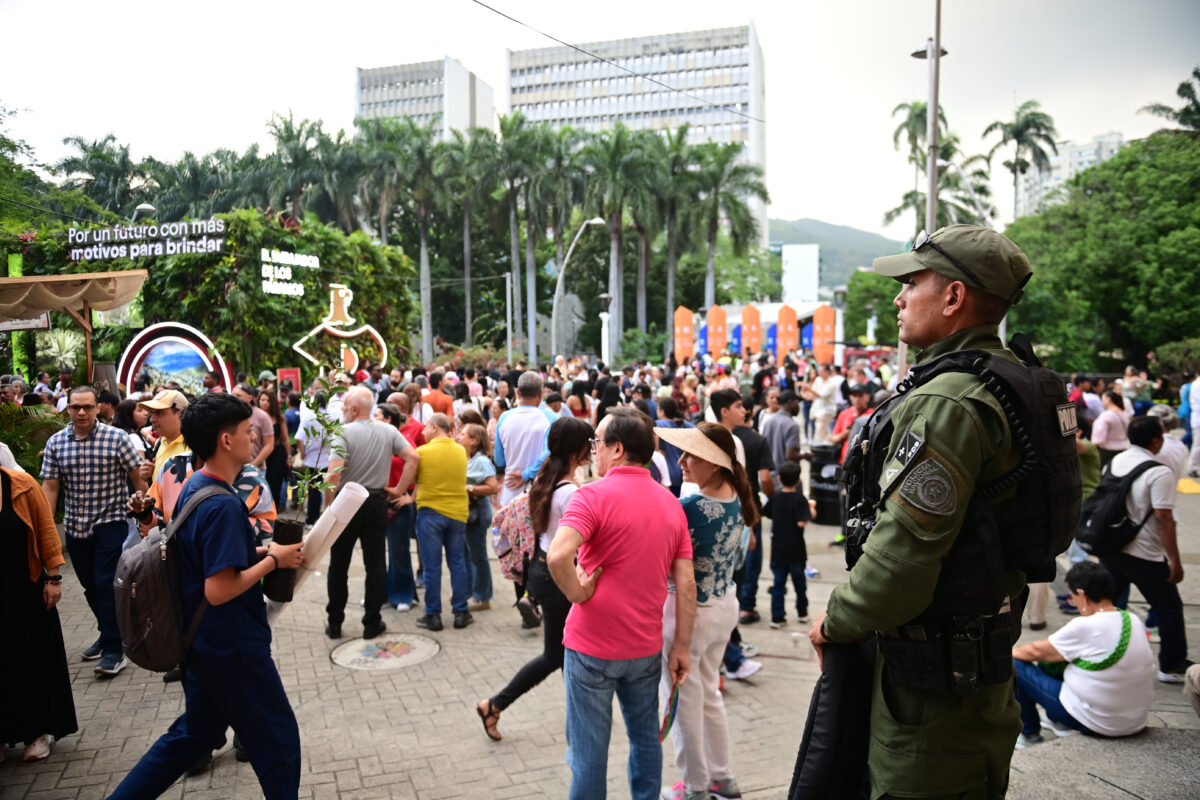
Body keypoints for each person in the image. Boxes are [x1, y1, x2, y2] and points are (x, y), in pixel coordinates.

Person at [808, 225, 1075, 798]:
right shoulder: (1014, 383)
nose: (899, 298)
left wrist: (836, 621)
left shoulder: (947, 402)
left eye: (911, 283)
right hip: (982, 661)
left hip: (930, 689)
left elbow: (901, 562)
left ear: (953, 298)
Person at [107, 393, 306, 800]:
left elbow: (206, 560)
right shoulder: (224, 505)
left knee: (195, 735)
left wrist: (265, 552)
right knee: (280, 743)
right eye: (247, 431)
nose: (254, 438)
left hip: (201, 643)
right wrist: (273, 562)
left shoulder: (196, 486)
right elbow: (219, 589)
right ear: (226, 441)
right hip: (231, 648)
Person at [548, 407, 695, 800]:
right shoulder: (671, 504)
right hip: (645, 649)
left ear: (616, 449)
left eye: (597, 443)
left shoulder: (591, 496)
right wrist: (681, 645)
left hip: (590, 645)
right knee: (646, 741)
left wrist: (578, 593)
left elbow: (558, 556)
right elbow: (686, 583)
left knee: (588, 752)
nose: (593, 451)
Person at [653, 423, 756, 800]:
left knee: (683, 700)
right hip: (724, 605)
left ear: (714, 463)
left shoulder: (689, 507)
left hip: (688, 612)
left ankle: (695, 787)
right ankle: (721, 778)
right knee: (708, 694)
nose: (681, 460)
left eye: (690, 454)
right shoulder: (737, 497)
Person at [476, 417, 592, 741]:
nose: (593, 450)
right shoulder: (570, 493)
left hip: (541, 570)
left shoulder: (546, 477)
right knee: (562, 653)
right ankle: (496, 705)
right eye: (589, 445)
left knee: (562, 652)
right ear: (577, 450)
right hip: (559, 575)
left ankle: (498, 706)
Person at [40, 386, 147, 677]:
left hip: (110, 522)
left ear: (98, 407)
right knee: (89, 585)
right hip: (75, 525)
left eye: (87, 407)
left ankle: (115, 649)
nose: (82, 412)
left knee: (104, 582)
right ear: (69, 409)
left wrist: (146, 509)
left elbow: (138, 477)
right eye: (76, 407)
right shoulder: (56, 443)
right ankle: (108, 632)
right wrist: (44, 523)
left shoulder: (117, 438)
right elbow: (50, 487)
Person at [1011, 561, 1155, 747]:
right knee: (1058, 660)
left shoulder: (1086, 626)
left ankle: (1029, 733)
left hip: (1097, 722)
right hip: (1135, 720)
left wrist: (1010, 652)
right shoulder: (1132, 620)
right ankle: (1057, 721)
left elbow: (1034, 651)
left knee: (1017, 664)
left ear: (1081, 594)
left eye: (1073, 597)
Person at [1100, 415, 1192, 683]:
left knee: (1109, 606)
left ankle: (1105, 657)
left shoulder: (1117, 460)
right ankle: (1171, 665)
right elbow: (1164, 519)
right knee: (1168, 607)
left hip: (1113, 547)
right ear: (1156, 440)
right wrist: (1174, 560)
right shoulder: (1159, 471)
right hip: (1145, 553)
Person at [324, 386, 419, 640]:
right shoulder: (389, 430)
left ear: (354, 409)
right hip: (376, 501)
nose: (343, 411)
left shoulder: (343, 433)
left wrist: (327, 508)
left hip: (347, 502)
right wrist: (399, 490)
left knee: (339, 565)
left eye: (345, 407)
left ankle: (335, 622)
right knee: (375, 563)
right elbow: (413, 457)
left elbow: (333, 474)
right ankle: (372, 622)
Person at [0, 465, 77, 762]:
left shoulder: (20, 484)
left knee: (30, 659)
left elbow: (45, 529)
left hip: (26, 588)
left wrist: (54, 578)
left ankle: (37, 732)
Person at [396, 413, 472, 631]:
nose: (422, 431)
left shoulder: (421, 453)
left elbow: (413, 478)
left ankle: (433, 615)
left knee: (431, 567)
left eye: (426, 427)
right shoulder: (460, 451)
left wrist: (404, 494)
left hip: (430, 513)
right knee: (457, 563)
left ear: (436, 427)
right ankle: (460, 612)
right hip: (458, 513)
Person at [763, 460, 812, 628]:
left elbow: (766, 512)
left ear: (780, 478)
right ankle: (802, 612)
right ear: (798, 479)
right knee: (800, 583)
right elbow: (802, 522)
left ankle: (777, 617)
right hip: (796, 550)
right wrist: (811, 511)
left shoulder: (776, 497)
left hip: (778, 549)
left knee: (778, 584)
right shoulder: (800, 499)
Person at [459, 423, 500, 611]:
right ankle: (473, 592)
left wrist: (470, 488)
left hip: (477, 512)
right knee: (470, 553)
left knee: (478, 555)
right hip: (468, 512)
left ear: (473, 440)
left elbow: (492, 487)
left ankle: (482, 597)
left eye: (463, 434)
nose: (459, 436)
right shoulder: (466, 458)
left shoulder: (481, 461)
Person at [256, 389, 293, 512]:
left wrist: (289, 456)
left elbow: (286, 439)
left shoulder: (279, 418)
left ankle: (274, 513)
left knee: (275, 485)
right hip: (259, 453)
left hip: (277, 453)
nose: (265, 403)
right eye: (262, 400)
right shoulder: (254, 417)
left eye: (268, 400)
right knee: (259, 485)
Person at [139, 389, 191, 476]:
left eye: (159, 413)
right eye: (152, 413)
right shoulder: (160, 443)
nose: (152, 419)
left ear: (180, 415)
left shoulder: (194, 447)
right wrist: (150, 476)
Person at [231, 384, 275, 471]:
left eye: (238, 396)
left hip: (256, 469)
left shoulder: (262, 416)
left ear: (250, 398)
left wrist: (252, 465)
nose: (235, 398)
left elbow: (269, 445)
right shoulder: (230, 414)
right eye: (233, 395)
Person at [1091, 390, 1131, 467]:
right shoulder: (1125, 414)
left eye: (1102, 398)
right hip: (1124, 448)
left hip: (1107, 451)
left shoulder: (1106, 415)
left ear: (1108, 399)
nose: (1101, 401)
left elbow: (1099, 437)